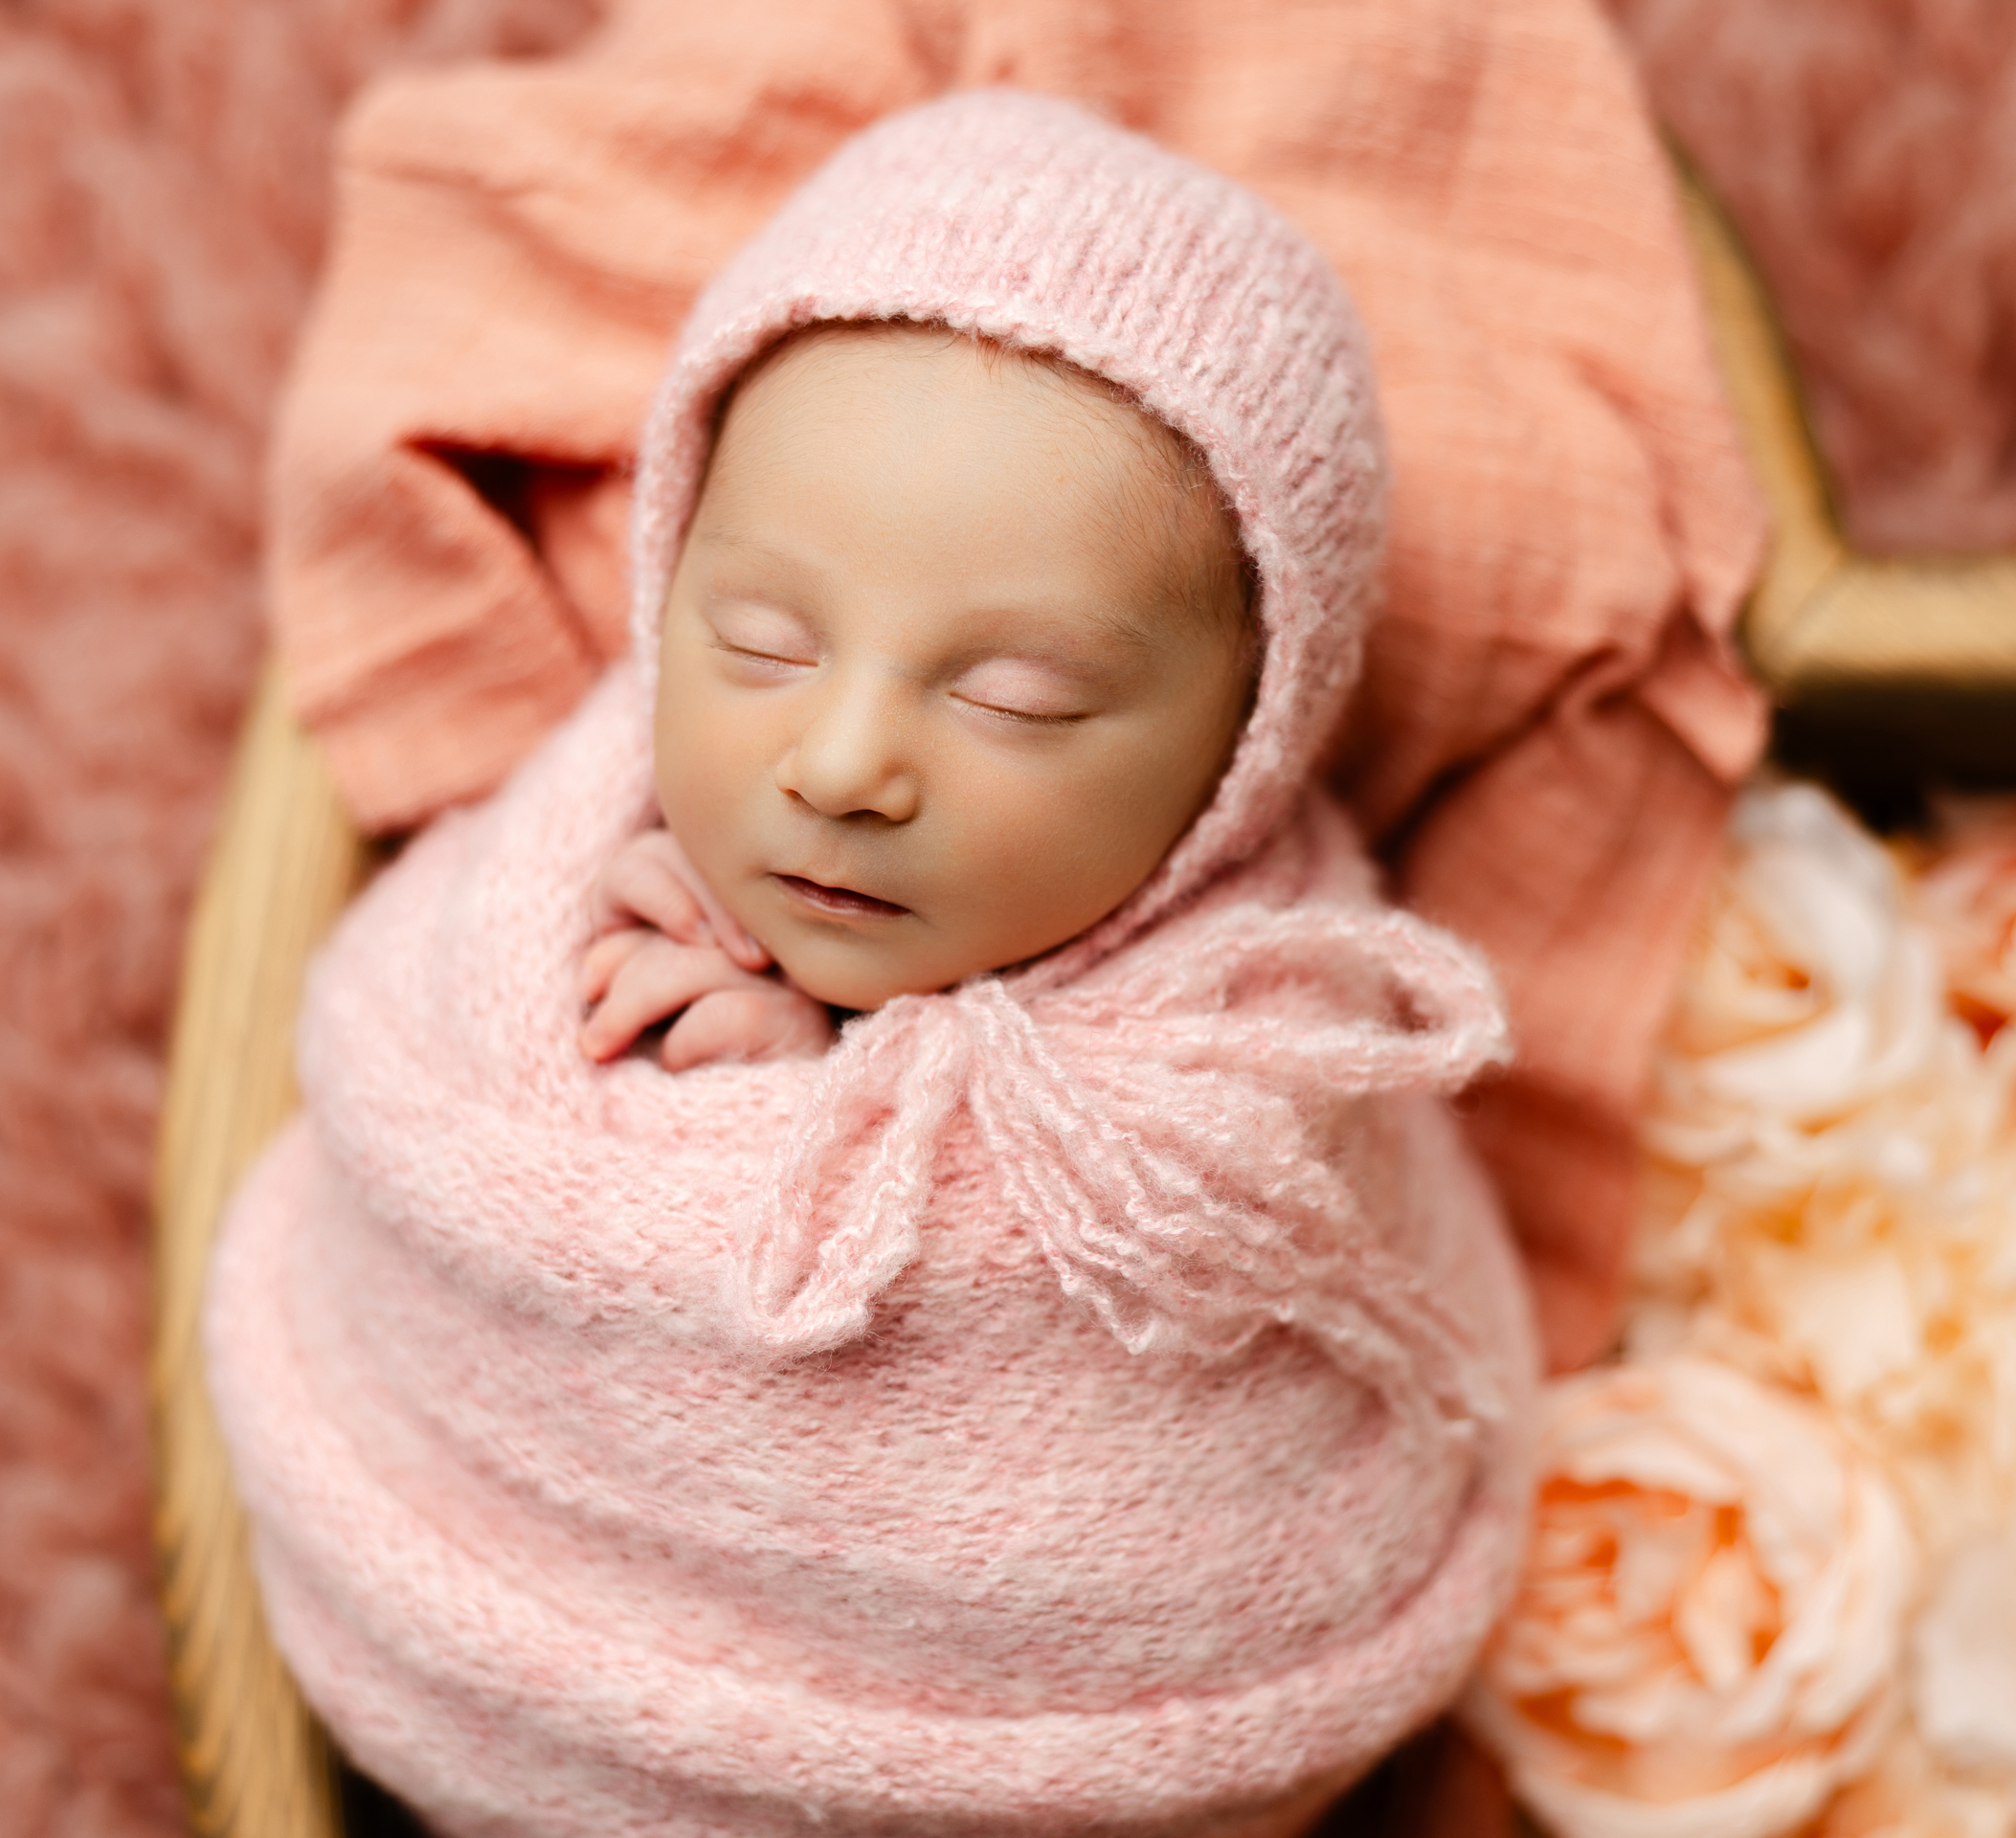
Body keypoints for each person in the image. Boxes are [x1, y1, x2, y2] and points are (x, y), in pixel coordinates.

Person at [207, 90, 1541, 1837]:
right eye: (758, 640)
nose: (839, 764)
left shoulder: (1266, 1060)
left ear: (1246, 748)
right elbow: (446, 1156)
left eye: (1015, 700)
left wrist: (826, 1082)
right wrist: (736, 1082)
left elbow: (1214, 1498)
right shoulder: (561, 902)